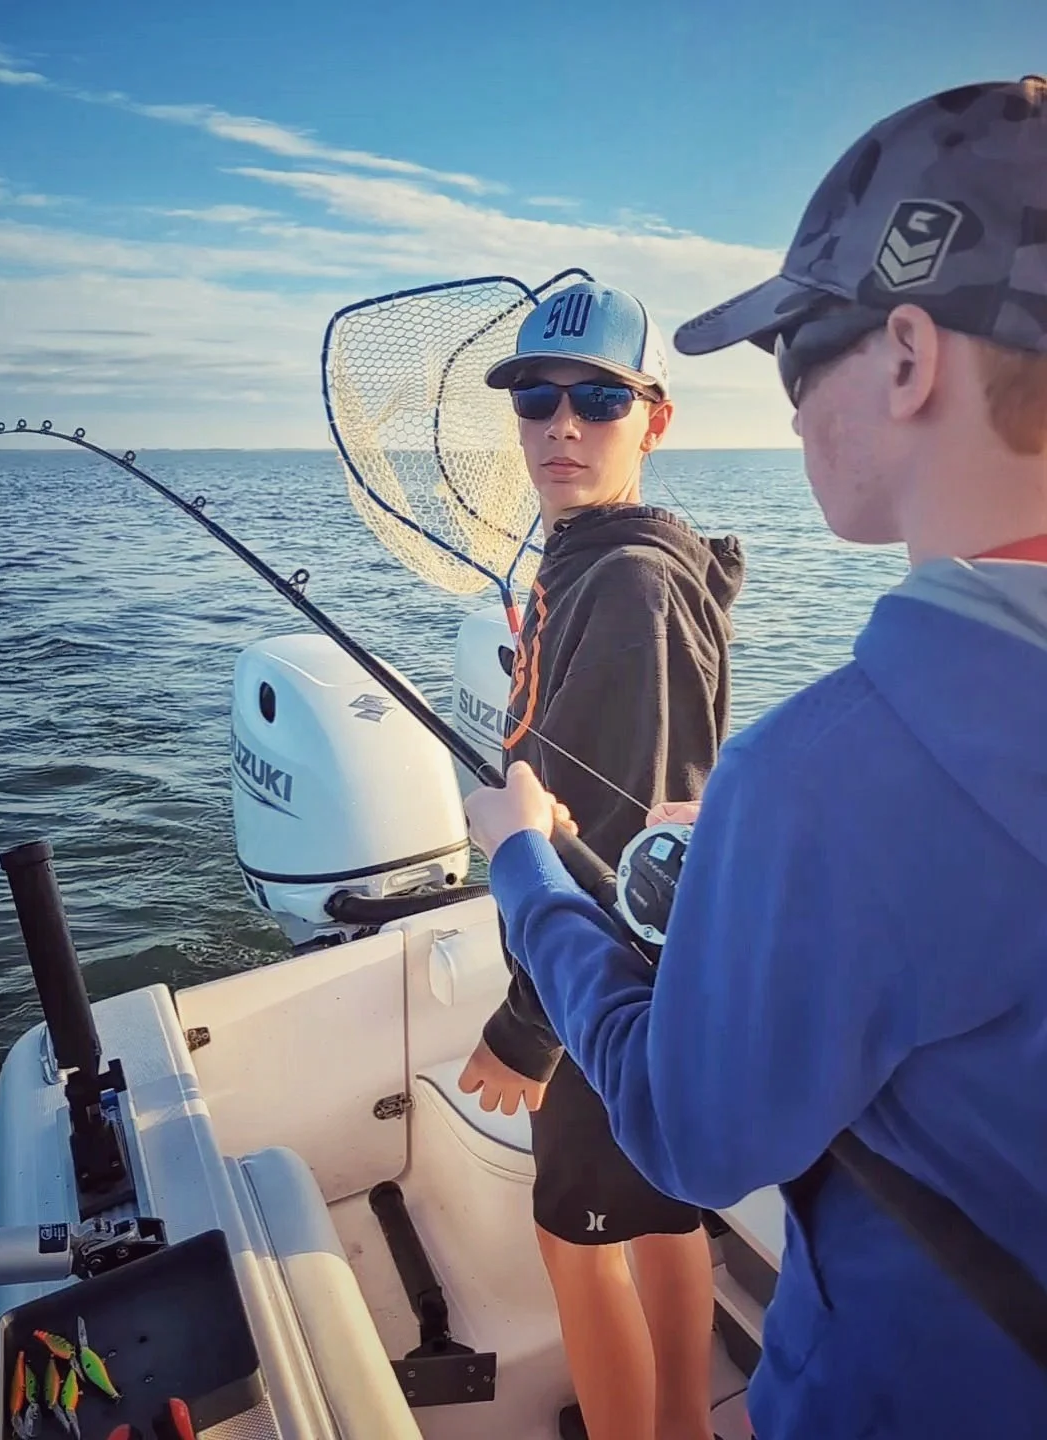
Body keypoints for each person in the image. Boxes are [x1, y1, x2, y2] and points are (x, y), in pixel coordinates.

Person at [464, 77, 1047, 1440]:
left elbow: (686, 1131)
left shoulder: (834, 773)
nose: (786, 410)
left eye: (797, 351)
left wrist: (523, 868)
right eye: (532, 398)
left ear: (907, 355)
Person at [457, 279, 745, 1440]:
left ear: (653, 419)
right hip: (654, 987)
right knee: (663, 1215)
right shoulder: (600, 555)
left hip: (600, 992)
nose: (561, 423)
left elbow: (628, 861)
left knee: (573, 1238)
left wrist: (528, 1030)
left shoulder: (626, 586)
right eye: (535, 396)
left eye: (597, 397)